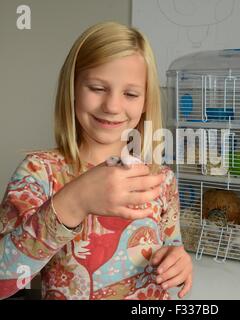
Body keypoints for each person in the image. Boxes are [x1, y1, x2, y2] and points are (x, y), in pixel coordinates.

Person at [0, 21, 192, 300]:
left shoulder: (160, 179)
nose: (112, 106)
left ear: (145, 100)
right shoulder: (39, 173)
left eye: (130, 93)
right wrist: (73, 202)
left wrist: (179, 260)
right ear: (73, 88)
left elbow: (172, 247)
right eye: (97, 88)